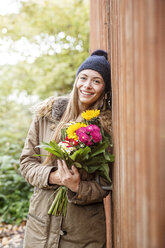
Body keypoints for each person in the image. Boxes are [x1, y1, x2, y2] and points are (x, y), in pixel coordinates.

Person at [20, 49, 112, 248]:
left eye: (96, 81)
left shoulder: (105, 128)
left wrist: (77, 187)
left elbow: (105, 183)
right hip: (41, 225)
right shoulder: (47, 114)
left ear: (104, 89)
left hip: (82, 230)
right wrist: (54, 176)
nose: (87, 86)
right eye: (84, 78)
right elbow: (27, 163)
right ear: (76, 80)